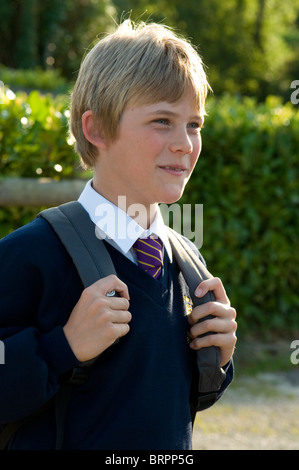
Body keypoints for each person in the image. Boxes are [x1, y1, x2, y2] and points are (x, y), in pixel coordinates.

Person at [0, 20, 237, 450]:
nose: (185, 143)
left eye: (195, 124)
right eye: (162, 120)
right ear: (96, 130)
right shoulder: (30, 255)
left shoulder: (188, 267)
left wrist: (216, 361)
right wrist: (62, 348)